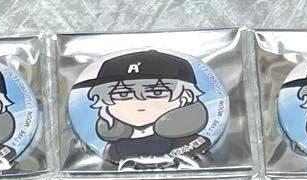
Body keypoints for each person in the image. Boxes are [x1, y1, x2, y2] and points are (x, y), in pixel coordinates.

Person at [75, 50, 210, 163]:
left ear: (185, 97)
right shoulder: (114, 148)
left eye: (156, 93)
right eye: (122, 94)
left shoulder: (193, 142)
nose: (138, 102)